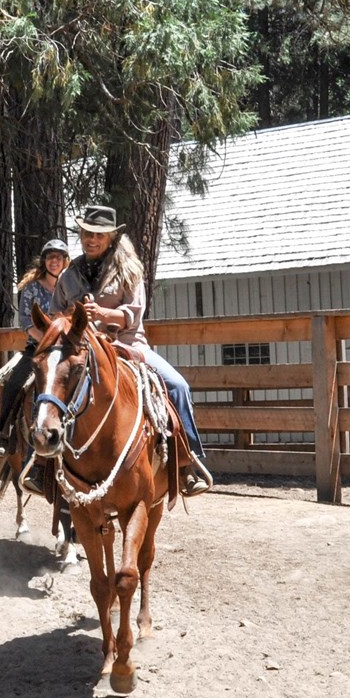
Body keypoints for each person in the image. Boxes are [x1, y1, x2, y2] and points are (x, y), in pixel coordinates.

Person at [50, 205, 212, 497]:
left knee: (177, 386)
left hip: (126, 346)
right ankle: (40, 465)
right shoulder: (69, 275)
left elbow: (134, 315)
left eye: (98, 234)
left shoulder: (129, 269)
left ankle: (188, 463)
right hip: (83, 349)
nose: (91, 239)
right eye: (87, 233)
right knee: (46, 389)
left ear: (111, 237)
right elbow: (55, 314)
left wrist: (101, 312)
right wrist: (70, 322)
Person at [0, 238, 70, 456]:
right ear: (44, 261)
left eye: (58, 257)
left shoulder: (71, 287)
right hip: (37, 348)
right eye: (50, 257)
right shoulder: (31, 289)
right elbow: (26, 321)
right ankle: (4, 433)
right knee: (14, 383)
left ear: (65, 261)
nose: (54, 261)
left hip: (65, 350)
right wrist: (47, 341)